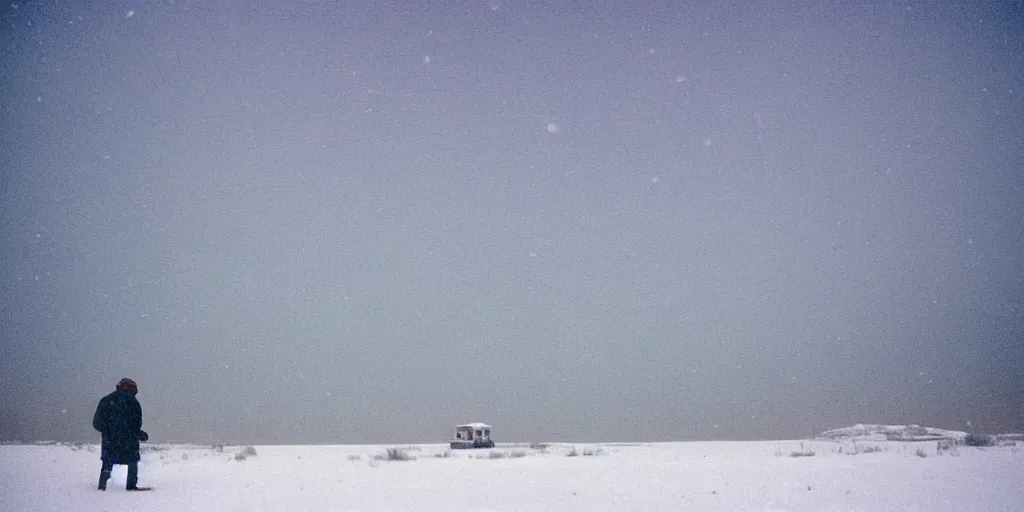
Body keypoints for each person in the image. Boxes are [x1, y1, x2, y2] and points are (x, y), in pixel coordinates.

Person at [92, 378, 150, 491]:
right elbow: (135, 425)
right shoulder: (133, 403)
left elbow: (96, 423)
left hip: (109, 441)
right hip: (129, 442)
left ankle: (102, 487)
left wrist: (109, 430)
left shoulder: (105, 400)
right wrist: (139, 434)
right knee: (132, 461)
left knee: (107, 464)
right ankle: (131, 486)